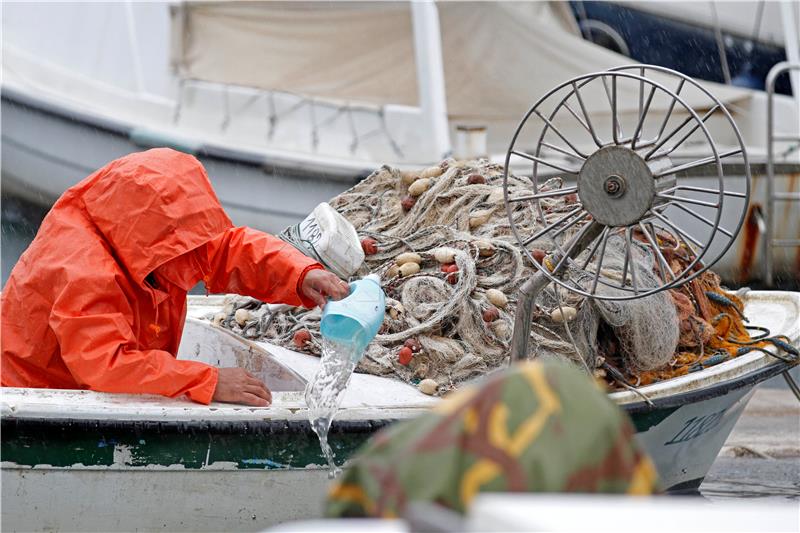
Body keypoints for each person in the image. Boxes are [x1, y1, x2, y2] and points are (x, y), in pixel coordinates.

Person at [1, 148, 349, 406]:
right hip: (34, 399)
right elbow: (105, 366)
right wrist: (208, 380)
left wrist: (301, 274)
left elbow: (226, 248)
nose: (197, 264)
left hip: (88, 387)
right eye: (183, 250)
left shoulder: (141, 232)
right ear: (150, 241)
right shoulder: (83, 271)